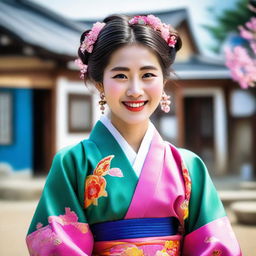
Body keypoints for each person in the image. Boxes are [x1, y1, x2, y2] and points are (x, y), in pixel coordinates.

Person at [26, 14, 242, 256]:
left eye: (148, 75)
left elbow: (215, 245)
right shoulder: (72, 163)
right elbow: (58, 244)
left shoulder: (188, 166)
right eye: (120, 76)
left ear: (164, 81)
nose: (135, 90)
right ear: (100, 83)